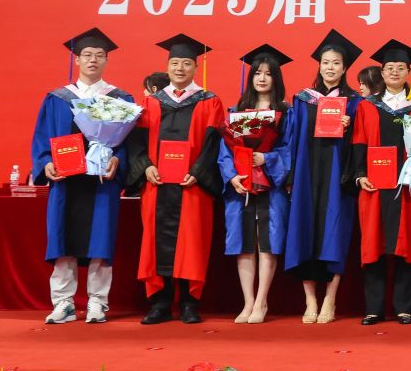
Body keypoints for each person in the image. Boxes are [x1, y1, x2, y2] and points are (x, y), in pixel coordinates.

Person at [30, 27, 134, 326]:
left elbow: (129, 142)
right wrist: (45, 163)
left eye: (99, 56)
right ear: (76, 60)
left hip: (101, 182)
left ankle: (97, 302)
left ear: (106, 61)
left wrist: (118, 160)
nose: (93, 60)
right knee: (62, 239)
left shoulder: (118, 98)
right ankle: (63, 302)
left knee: (100, 240)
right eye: (87, 55)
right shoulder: (57, 98)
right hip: (66, 181)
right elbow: (42, 138)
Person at [126, 33, 227, 326]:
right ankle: (159, 304)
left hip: (192, 185)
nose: (180, 68)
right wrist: (145, 167)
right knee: (155, 241)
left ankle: (188, 303)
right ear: (167, 67)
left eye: (186, 63)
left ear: (196, 67)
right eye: (175, 63)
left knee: (191, 242)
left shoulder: (210, 102)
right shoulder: (151, 103)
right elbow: (136, 142)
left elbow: (213, 144)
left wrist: (197, 171)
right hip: (157, 185)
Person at [353, 40, 411, 327]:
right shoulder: (367, 107)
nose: (395, 72)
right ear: (381, 72)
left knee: (408, 245)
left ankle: (404, 308)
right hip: (375, 185)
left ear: (409, 72)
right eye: (389, 67)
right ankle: (374, 309)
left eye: (401, 67)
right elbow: (358, 143)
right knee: (374, 245)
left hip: (409, 186)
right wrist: (360, 174)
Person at [283, 29, 370, 325]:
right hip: (307, 177)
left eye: (336, 63)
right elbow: (292, 140)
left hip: (337, 178)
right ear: (319, 66)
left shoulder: (355, 103)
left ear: (345, 68)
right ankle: (310, 300)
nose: (330, 67)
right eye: (325, 62)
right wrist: (291, 176)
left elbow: (361, 142)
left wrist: (350, 125)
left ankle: (330, 298)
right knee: (304, 232)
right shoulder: (303, 100)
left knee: (335, 233)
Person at [219, 44, 295, 325]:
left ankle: (262, 300)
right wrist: (232, 176)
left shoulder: (286, 113)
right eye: (257, 73)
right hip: (241, 186)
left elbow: (289, 149)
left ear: (277, 78)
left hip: (271, 186)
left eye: (268, 73)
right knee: (243, 242)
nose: (262, 78)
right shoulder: (237, 111)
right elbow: (224, 151)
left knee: (267, 241)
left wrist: (267, 159)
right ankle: (247, 301)